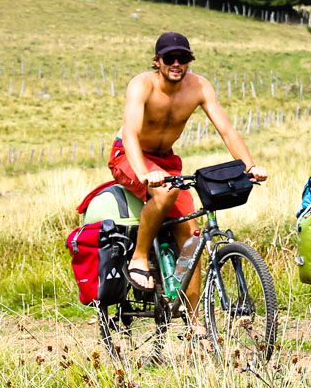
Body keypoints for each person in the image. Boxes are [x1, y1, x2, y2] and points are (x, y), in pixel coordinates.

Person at [113, 32, 268, 315]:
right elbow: (131, 135)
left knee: (192, 238)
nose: (176, 63)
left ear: (189, 60)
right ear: (156, 61)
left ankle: (195, 324)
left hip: (166, 161)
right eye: (169, 58)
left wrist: (249, 166)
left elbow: (227, 130)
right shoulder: (142, 85)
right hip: (130, 155)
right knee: (165, 191)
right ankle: (139, 257)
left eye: (182, 58)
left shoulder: (198, 86)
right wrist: (145, 173)